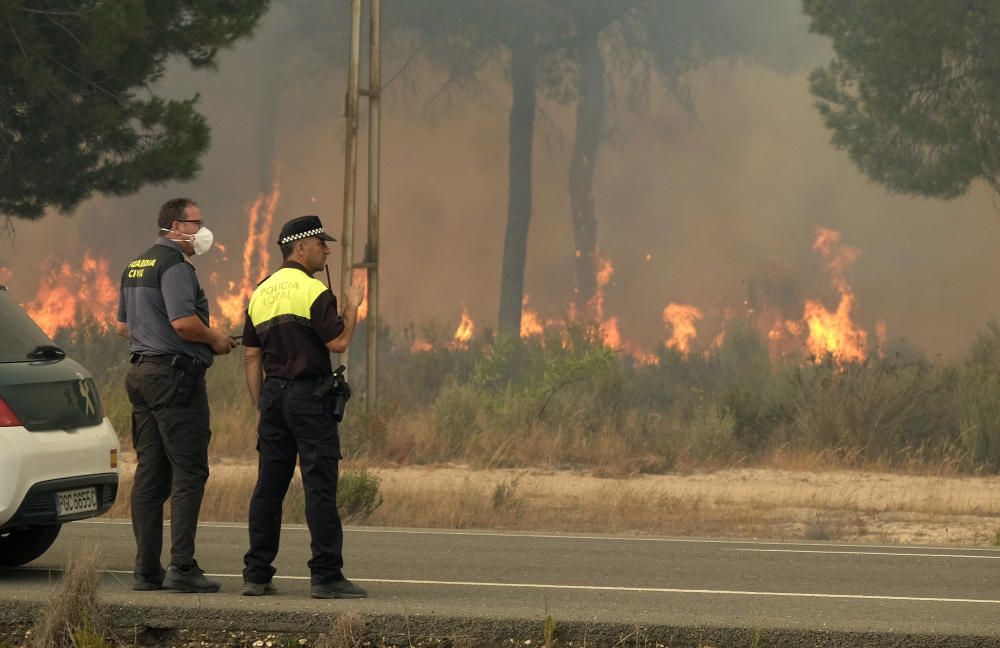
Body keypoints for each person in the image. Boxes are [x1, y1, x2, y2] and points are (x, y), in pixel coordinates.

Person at [241, 214, 366, 599]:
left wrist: (260, 407)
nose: (326, 249)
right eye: (320, 243)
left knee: (269, 489)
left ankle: (257, 574)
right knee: (319, 487)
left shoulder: (260, 292)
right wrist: (353, 307)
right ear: (300, 247)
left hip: (273, 397)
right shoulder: (313, 292)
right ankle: (326, 577)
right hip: (310, 398)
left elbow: (250, 357)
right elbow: (339, 343)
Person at [116, 197, 237, 593]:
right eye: (195, 223)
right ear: (174, 226)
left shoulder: (136, 265)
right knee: (189, 471)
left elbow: (122, 327)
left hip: (140, 375)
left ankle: (146, 570)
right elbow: (185, 323)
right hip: (174, 378)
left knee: (151, 473)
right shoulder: (175, 266)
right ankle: (182, 568)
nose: (201, 231)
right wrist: (216, 338)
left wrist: (153, 333)